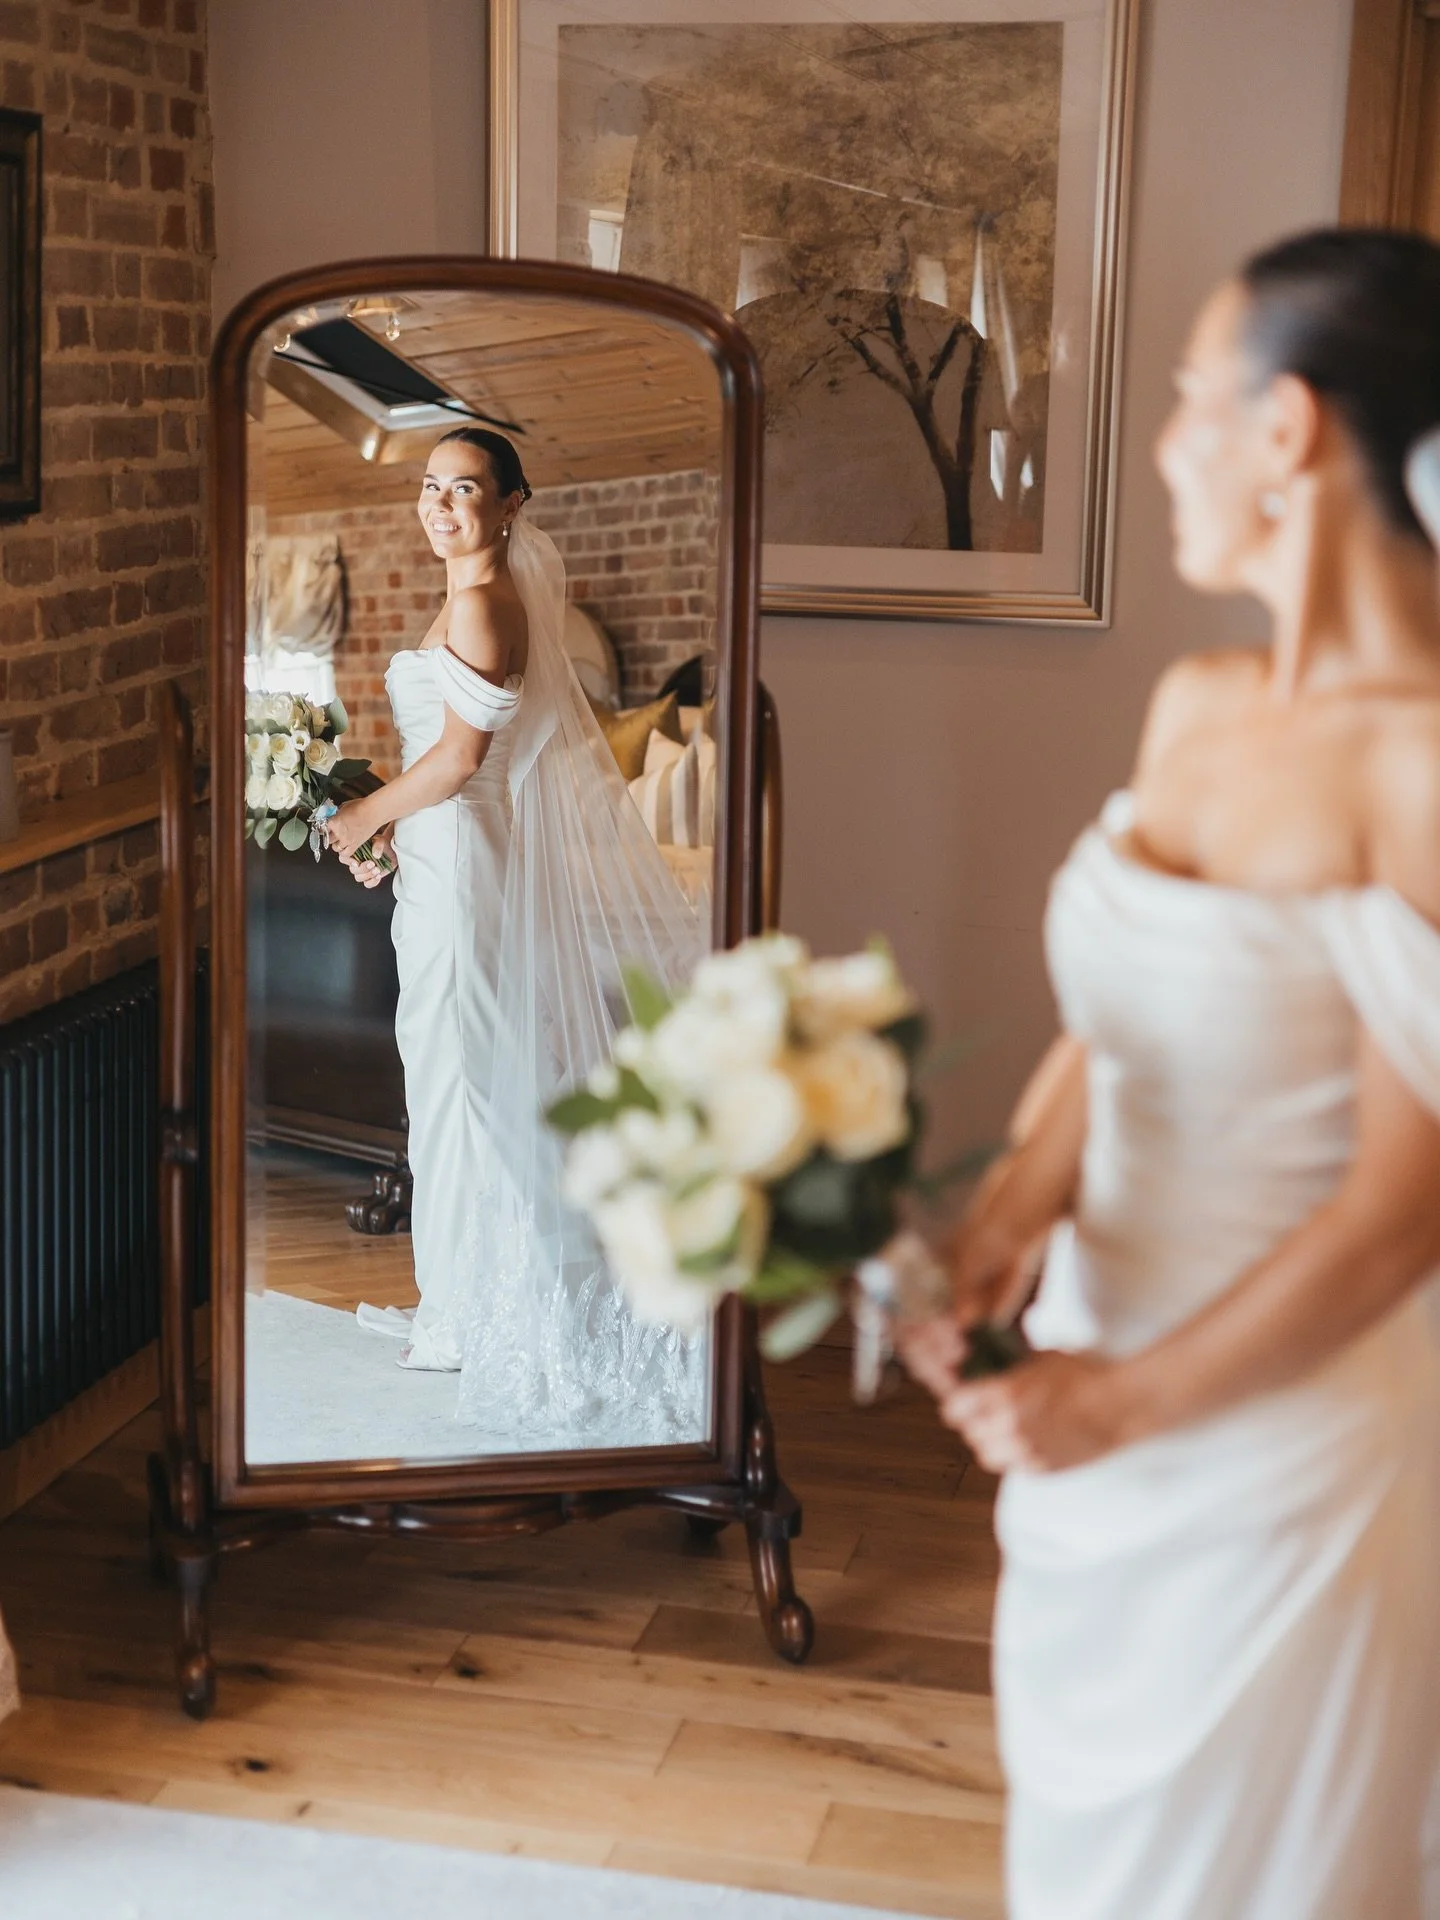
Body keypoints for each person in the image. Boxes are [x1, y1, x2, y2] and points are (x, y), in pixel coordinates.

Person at [902, 229, 1440, 1918]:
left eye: (1194, 397)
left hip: (1281, 1433)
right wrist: (1015, 1204)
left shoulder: (1426, 767)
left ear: (1286, 431)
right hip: (1091, 1375)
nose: (1165, 442)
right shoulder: (1197, 704)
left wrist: (1119, 1406)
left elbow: (1400, 1217)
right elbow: (1122, 1021)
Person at [325, 428, 706, 1443]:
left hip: (464, 868)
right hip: (449, 861)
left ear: (512, 505)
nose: (441, 505)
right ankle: (457, 1298)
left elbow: (456, 759)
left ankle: (479, 1311)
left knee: (466, 1090)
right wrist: (394, 832)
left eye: (465, 489)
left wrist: (367, 819)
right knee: (448, 1080)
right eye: (430, 488)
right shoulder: (465, 600)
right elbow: (446, 777)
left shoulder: (486, 604)